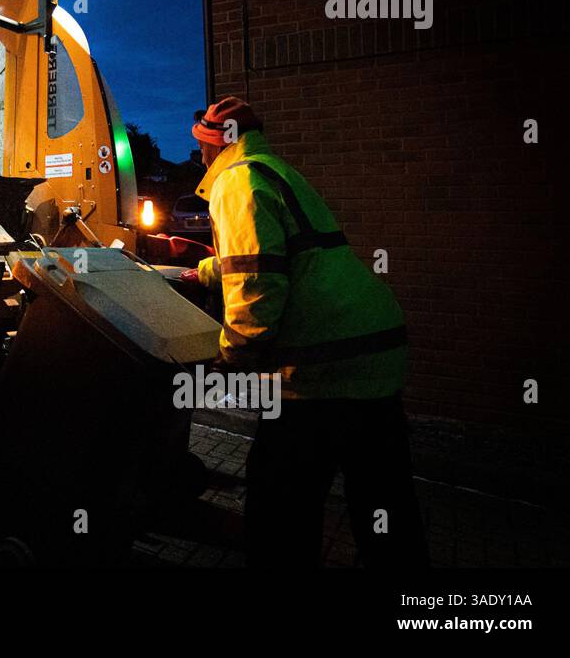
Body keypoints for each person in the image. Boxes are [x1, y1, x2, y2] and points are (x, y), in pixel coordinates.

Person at [181, 97, 428, 567]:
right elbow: (294, 254)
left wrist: (230, 357)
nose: (200, 156)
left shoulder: (237, 182)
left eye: (202, 146)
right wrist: (206, 271)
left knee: (279, 512)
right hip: (374, 355)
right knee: (386, 508)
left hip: (318, 370)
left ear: (216, 145)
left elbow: (258, 285)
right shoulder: (274, 170)